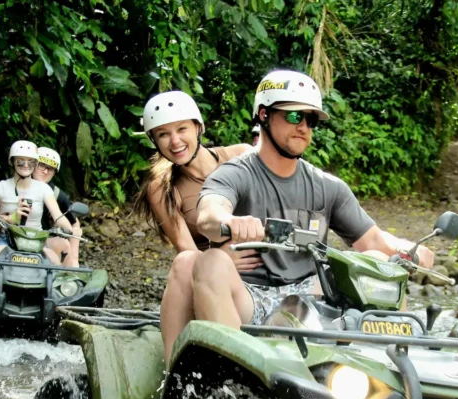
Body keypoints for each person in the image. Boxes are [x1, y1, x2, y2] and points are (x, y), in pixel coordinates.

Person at [159, 69, 434, 362]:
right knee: (206, 261)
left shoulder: (328, 187)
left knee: (380, 264)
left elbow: (375, 241)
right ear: (264, 115)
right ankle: (226, 380)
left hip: (311, 298)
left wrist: (411, 251)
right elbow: (210, 214)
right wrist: (230, 223)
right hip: (250, 297)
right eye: (294, 116)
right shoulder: (234, 173)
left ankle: (396, 373)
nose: (304, 126)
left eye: (311, 120)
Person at [137, 91, 254, 263]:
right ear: (154, 140)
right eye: (163, 134)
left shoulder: (242, 155)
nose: (175, 141)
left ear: (198, 127)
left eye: (182, 129)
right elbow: (187, 253)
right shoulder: (162, 188)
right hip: (213, 273)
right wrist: (222, 259)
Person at [0, 140, 78, 264]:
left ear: (35, 164)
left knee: (54, 262)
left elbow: (57, 215)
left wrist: (68, 229)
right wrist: (9, 218)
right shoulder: (0, 187)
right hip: (7, 239)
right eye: (20, 161)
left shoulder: (44, 189)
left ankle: (69, 280)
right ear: (12, 162)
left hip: (37, 240)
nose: (26, 165)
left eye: (31, 161)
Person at [34, 147, 81, 267]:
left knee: (62, 245)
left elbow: (74, 223)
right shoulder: (15, 184)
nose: (45, 171)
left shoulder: (57, 194)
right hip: (12, 237)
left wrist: (74, 258)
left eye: (50, 169)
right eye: (42, 165)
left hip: (42, 239)